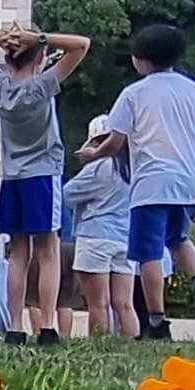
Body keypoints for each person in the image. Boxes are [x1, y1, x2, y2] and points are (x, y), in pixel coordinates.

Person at [77, 24, 195, 342]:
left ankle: (156, 320)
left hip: (151, 182)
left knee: (149, 253)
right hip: (186, 178)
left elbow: (115, 143)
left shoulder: (134, 94)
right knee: (179, 238)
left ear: (141, 60)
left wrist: (92, 155)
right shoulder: (192, 89)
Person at [0, 24, 92, 345]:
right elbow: (81, 44)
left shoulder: (0, 87)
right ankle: (47, 325)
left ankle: (15, 326)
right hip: (43, 175)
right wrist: (39, 38)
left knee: (18, 253)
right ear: (40, 56)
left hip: (12, 177)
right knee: (48, 252)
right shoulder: (43, 86)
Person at [64, 116, 138, 339]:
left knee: (99, 303)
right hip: (125, 238)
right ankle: (131, 346)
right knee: (125, 304)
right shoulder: (133, 168)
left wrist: (86, 163)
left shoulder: (99, 168)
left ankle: (100, 346)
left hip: (95, 236)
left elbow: (67, 194)